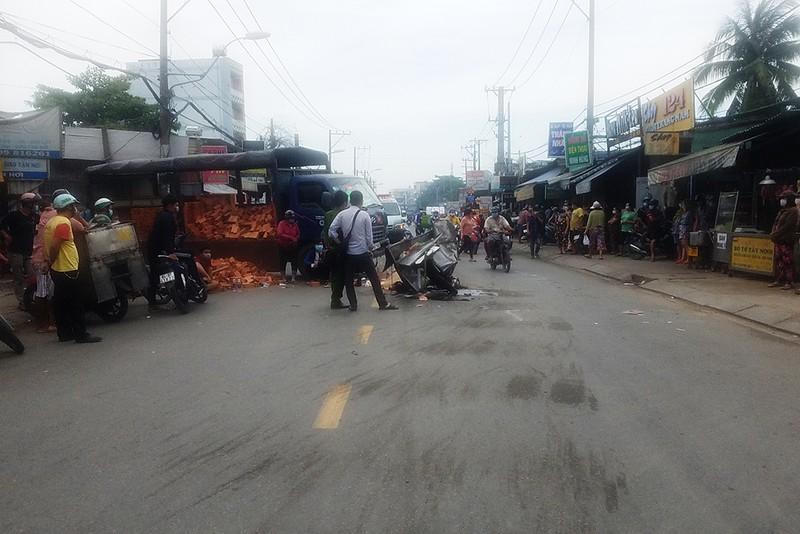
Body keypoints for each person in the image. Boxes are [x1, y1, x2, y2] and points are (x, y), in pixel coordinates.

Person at [44, 194, 101, 343]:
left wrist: (50, 262)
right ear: (68, 207)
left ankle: (64, 333)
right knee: (75, 302)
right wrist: (53, 259)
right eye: (73, 206)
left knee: (61, 302)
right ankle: (81, 334)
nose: (75, 209)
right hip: (66, 268)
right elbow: (55, 245)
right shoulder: (64, 223)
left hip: (59, 269)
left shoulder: (52, 221)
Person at [329, 190, 398, 312]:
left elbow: (331, 231)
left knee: (349, 281)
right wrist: (371, 249)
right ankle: (383, 303)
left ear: (351, 200)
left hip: (349, 254)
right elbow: (369, 239)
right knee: (374, 279)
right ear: (361, 201)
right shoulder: (365, 215)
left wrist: (340, 243)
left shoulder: (342, 214)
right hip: (363, 253)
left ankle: (353, 305)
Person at [1, 192, 37, 308]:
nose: (34, 205)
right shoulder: (14, 215)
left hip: (29, 250)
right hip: (15, 250)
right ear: (26, 203)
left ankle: (30, 298)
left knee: (32, 276)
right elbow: (1, 226)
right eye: (32, 202)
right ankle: (22, 301)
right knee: (19, 277)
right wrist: (6, 236)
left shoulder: (34, 216)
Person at [31, 195, 57, 333]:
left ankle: (44, 324)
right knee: (46, 293)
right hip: (44, 260)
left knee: (42, 292)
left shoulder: (39, 217)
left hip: (37, 258)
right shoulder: (53, 215)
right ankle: (48, 324)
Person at [147, 194, 179, 304]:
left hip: (156, 250)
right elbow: (166, 237)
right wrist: (171, 252)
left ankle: (152, 300)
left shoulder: (162, 215)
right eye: (176, 205)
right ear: (170, 205)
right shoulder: (167, 217)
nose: (177, 207)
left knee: (155, 275)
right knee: (158, 273)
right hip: (159, 251)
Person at [769, 190, 799, 290]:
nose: (782, 200)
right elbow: (776, 224)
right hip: (778, 240)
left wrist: (775, 234)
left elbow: (786, 227)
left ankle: (789, 282)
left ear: (789, 199)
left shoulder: (793, 211)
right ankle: (780, 280)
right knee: (779, 261)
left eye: (784, 198)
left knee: (788, 261)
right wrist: (773, 233)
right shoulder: (782, 210)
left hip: (786, 240)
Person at [324, 190, 349, 308]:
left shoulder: (328, 214)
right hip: (340, 249)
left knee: (334, 275)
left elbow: (325, 233)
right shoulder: (343, 215)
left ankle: (335, 299)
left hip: (331, 248)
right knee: (341, 275)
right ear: (344, 202)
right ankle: (336, 299)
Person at [276, 210, 300, 283]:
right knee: (282, 261)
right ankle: (283, 277)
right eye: (290, 218)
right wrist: (291, 238)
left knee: (294, 261)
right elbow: (280, 234)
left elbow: (298, 233)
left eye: (293, 218)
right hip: (283, 245)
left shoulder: (295, 225)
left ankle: (293, 278)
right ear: (287, 218)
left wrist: (296, 238)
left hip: (292, 246)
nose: (292, 220)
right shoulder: (282, 224)